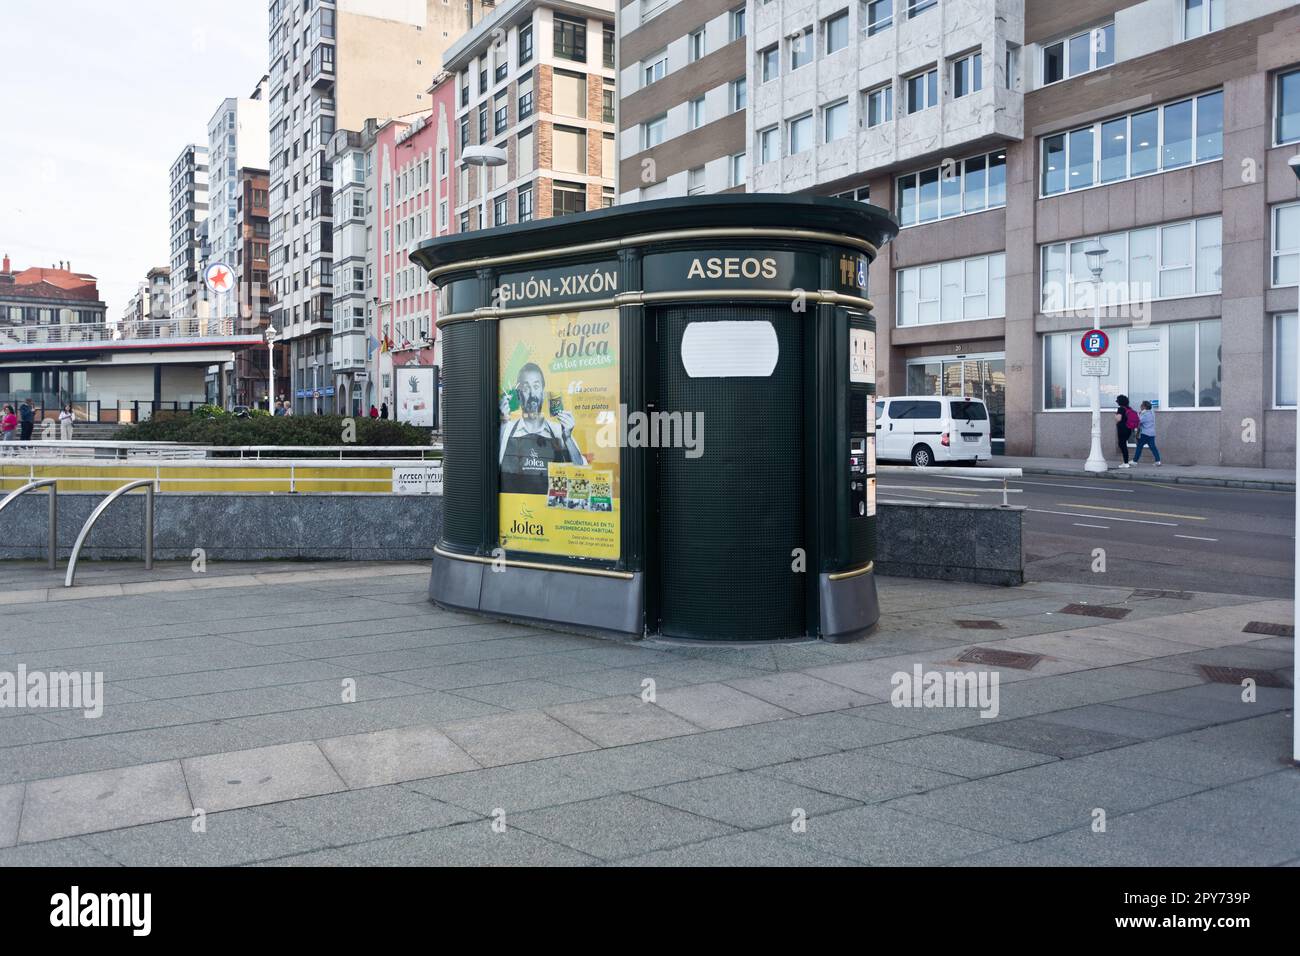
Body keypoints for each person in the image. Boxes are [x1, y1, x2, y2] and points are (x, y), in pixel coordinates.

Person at [498, 362, 585, 495]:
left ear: (543, 393)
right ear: (518, 394)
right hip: (515, 510)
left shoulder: (559, 431)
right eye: (526, 388)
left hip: (550, 513)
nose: (532, 394)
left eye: (536, 386)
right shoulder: (507, 429)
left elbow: (581, 474)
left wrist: (567, 438)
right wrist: (503, 423)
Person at [1133, 400, 1162, 466]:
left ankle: (1135, 461)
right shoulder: (1152, 412)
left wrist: (1138, 414)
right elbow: (1150, 408)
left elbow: (1139, 421)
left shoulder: (1145, 414)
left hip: (1145, 433)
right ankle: (1158, 461)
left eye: (1141, 405)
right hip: (1152, 433)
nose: (1140, 406)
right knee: (1153, 447)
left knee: (1139, 447)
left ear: (1144, 407)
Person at [1114, 394, 1139, 468]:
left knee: (1122, 445)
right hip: (1129, 429)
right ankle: (1126, 462)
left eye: (1117, 400)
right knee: (1123, 444)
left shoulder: (1121, 409)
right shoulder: (1129, 408)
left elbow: (1118, 419)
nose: (1116, 402)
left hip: (1122, 429)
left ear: (1120, 402)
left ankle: (1125, 463)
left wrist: (1115, 416)